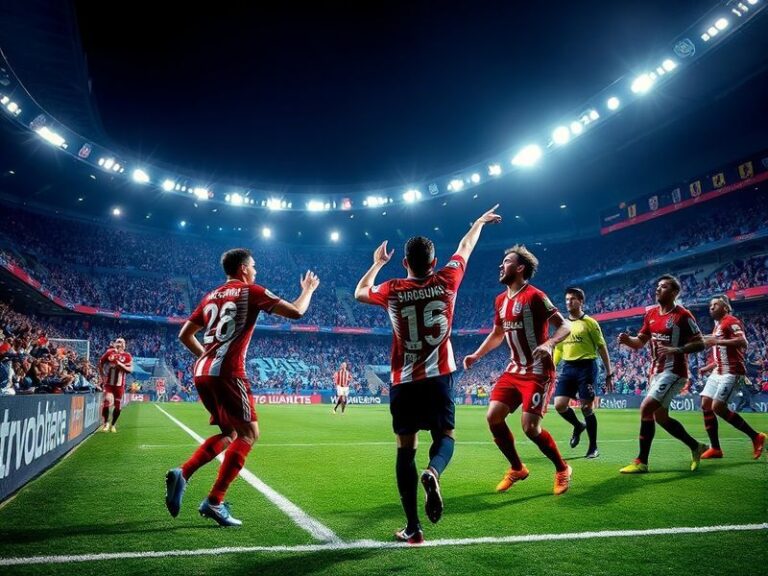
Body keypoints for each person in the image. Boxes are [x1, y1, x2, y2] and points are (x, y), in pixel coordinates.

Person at [355, 205, 501, 544]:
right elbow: (465, 248)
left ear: (405, 263)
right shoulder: (447, 279)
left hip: (404, 381)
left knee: (405, 451)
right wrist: (477, 221)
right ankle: (434, 471)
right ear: (434, 263)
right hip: (440, 377)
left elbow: (360, 292)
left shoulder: (392, 289)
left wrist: (378, 263)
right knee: (446, 437)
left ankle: (413, 528)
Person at [165, 248, 319, 527]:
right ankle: (214, 501)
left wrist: (206, 355)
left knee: (230, 432)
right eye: (254, 267)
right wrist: (308, 289)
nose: (256, 271)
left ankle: (183, 473)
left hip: (202, 372)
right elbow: (297, 311)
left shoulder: (210, 296)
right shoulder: (251, 291)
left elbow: (184, 334)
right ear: (244, 269)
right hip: (228, 371)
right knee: (249, 434)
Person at [463, 245, 573, 497]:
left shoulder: (535, 296)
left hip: (538, 371)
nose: (501, 266)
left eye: (506, 262)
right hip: (513, 369)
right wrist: (477, 355)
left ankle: (562, 468)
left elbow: (565, 326)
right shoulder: (500, 300)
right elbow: (497, 334)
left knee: (530, 428)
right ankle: (517, 468)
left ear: (520, 267)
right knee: (493, 417)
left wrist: (548, 343)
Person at [617, 275, 708, 474]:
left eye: (664, 287)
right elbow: (640, 342)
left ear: (674, 292)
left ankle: (641, 461)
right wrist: (626, 340)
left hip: (674, 371)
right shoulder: (650, 314)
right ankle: (696, 446)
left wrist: (676, 350)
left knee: (646, 408)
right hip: (655, 372)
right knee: (661, 418)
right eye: (657, 286)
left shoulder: (683, 315)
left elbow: (700, 343)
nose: (658, 289)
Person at [697, 296, 765, 459]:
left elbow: (743, 342)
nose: (711, 307)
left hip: (732, 372)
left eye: (715, 305)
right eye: (710, 305)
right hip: (718, 371)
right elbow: (721, 354)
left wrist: (717, 341)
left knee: (718, 407)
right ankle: (715, 448)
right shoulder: (718, 326)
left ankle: (756, 436)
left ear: (725, 308)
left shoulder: (730, 321)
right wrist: (707, 367)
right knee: (706, 404)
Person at [552, 287, 613, 459]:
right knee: (559, 405)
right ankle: (578, 426)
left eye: (572, 299)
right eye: (566, 300)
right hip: (568, 368)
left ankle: (593, 447)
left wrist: (609, 372)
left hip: (586, 367)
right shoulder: (563, 325)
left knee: (586, 407)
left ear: (581, 301)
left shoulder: (590, 323)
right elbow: (558, 349)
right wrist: (552, 366)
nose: (568, 302)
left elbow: (602, 347)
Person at [98, 338, 133, 432]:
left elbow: (130, 370)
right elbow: (100, 363)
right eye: (118, 342)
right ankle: (106, 423)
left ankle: (113, 425)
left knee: (118, 407)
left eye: (122, 342)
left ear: (125, 345)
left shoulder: (127, 356)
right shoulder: (109, 353)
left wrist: (120, 364)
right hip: (109, 384)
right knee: (106, 402)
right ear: (114, 344)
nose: (120, 344)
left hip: (119, 385)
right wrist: (102, 376)